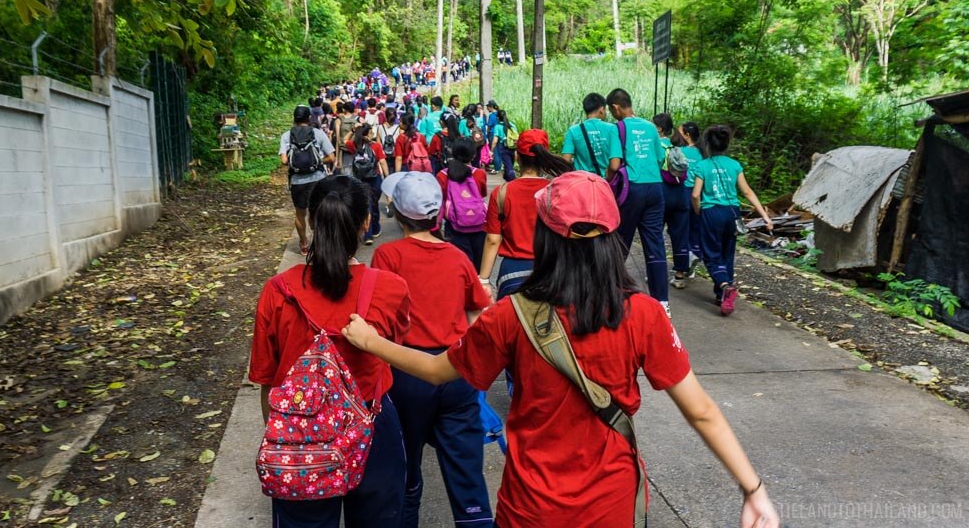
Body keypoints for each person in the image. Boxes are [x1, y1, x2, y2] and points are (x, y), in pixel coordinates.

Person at [341, 172, 781, 528]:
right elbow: (701, 410)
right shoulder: (643, 314)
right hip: (612, 502)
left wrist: (372, 342)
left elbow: (438, 370)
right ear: (612, 237)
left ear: (544, 238)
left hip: (531, 506)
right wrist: (753, 489)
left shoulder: (511, 314)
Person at [249, 175, 410, 528]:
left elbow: (266, 380)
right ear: (366, 222)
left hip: (299, 431)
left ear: (310, 222)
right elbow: (394, 350)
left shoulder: (277, 292)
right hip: (372, 425)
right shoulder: (390, 288)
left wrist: (284, 443)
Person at [371, 171, 494, 528]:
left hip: (408, 371)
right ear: (437, 215)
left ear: (399, 212)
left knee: (406, 468)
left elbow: (381, 316)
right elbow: (478, 308)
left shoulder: (388, 256)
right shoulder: (456, 256)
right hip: (456, 369)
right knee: (466, 471)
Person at [478, 129, 570, 300]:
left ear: (516, 157)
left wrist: (483, 280)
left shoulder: (501, 193)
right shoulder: (555, 191)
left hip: (512, 273)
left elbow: (493, 240)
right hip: (549, 270)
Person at [691, 125, 773, 315]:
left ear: (708, 144)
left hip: (711, 212)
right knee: (727, 252)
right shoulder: (734, 165)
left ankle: (724, 285)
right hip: (732, 213)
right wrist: (765, 216)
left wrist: (698, 211)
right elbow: (747, 192)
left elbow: (695, 195)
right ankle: (721, 297)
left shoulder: (702, 166)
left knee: (711, 253)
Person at [606, 88, 671, 316]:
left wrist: (607, 181)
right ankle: (662, 302)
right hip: (655, 189)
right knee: (655, 245)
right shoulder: (651, 127)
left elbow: (614, 165)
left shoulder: (619, 128)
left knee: (621, 242)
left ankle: (612, 293)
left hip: (631, 190)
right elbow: (660, 157)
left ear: (616, 107)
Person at [280, 106, 335, 255]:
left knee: (300, 213)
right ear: (309, 118)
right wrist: (317, 162)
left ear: (294, 119)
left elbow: (284, 160)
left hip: (297, 181)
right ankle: (319, 241)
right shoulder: (318, 133)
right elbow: (331, 157)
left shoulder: (286, 135)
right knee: (318, 212)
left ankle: (304, 243)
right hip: (318, 179)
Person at [437, 137, 490, 270]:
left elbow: (441, 201)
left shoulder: (442, 175)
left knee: (460, 266)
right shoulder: (479, 174)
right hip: (479, 224)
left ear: (453, 153)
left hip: (454, 226)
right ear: (473, 155)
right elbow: (482, 194)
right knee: (478, 266)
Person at [653, 112, 692, 291]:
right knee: (680, 235)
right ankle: (680, 274)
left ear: (659, 128)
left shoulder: (656, 146)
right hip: (680, 194)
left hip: (662, 193)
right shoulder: (678, 146)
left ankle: (656, 270)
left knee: (655, 234)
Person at [344, 124, 389, 246]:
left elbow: (344, 141)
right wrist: (387, 177)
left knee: (366, 205)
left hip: (360, 179)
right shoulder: (376, 146)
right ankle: (374, 229)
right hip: (375, 178)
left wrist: (353, 130)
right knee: (373, 204)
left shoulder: (355, 146)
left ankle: (368, 233)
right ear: (367, 134)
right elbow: (382, 162)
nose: (373, 134)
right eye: (371, 132)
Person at [561, 92, 623, 178]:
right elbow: (614, 164)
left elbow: (565, 161)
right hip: (604, 183)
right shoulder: (612, 129)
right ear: (601, 109)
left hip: (581, 182)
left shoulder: (573, 131)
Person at [679, 122, 706, 270]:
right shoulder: (703, 153)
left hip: (683, 191)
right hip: (699, 192)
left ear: (687, 135)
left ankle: (685, 260)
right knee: (695, 226)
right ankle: (694, 253)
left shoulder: (680, 151)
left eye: (680, 132)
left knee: (682, 226)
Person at [488, 109, 517, 182]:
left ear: (498, 118)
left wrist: (491, 150)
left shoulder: (497, 126)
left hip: (503, 147)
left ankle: (512, 182)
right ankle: (507, 178)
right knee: (510, 165)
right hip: (513, 147)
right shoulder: (512, 124)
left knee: (509, 167)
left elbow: (495, 140)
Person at [334, 101, 361, 175]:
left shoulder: (339, 120)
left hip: (344, 150)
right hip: (356, 150)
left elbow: (338, 139)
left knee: (345, 173)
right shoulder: (358, 119)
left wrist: (337, 158)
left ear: (343, 109)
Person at [378, 107, 401, 174]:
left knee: (386, 175)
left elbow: (378, 143)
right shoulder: (399, 128)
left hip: (384, 156)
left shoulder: (380, 127)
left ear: (385, 116)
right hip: (395, 155)